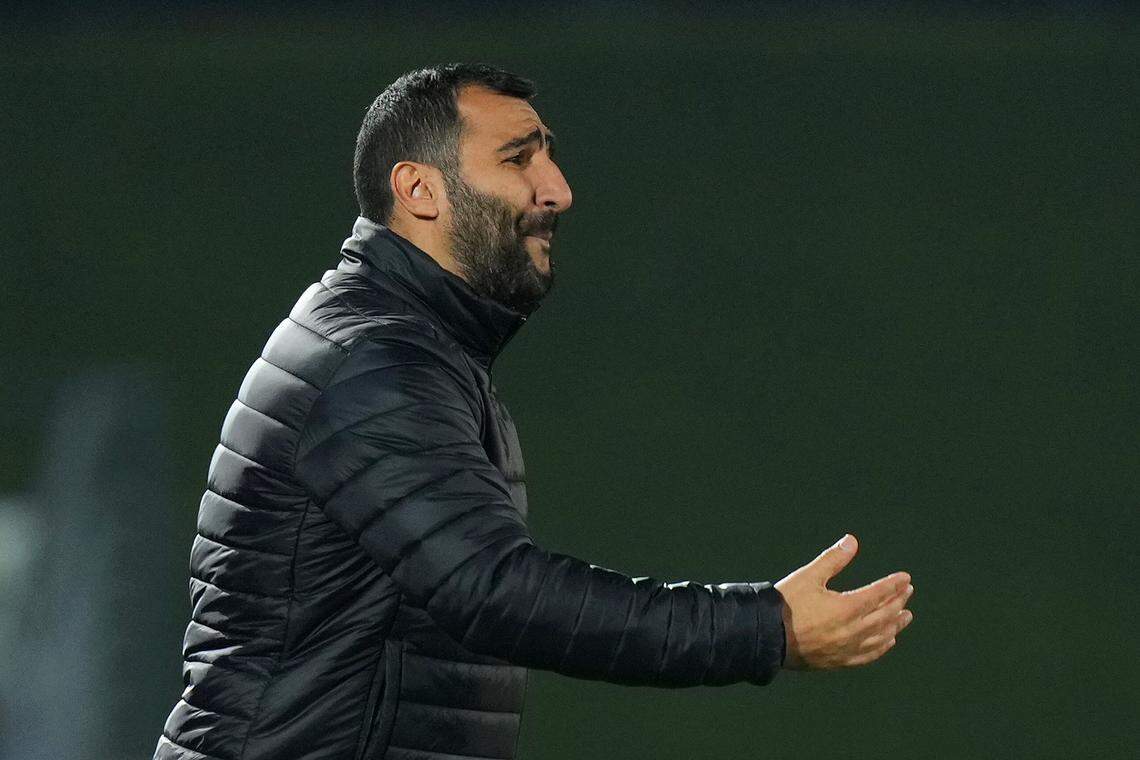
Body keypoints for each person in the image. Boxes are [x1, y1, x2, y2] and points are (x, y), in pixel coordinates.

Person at [154, 63, 915, 760]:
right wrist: (765, 628)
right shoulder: (378, 363)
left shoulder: (404, 347)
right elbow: (496, 591)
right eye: (519, 159)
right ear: (419, 190)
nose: (557, 190)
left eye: (548, 157)